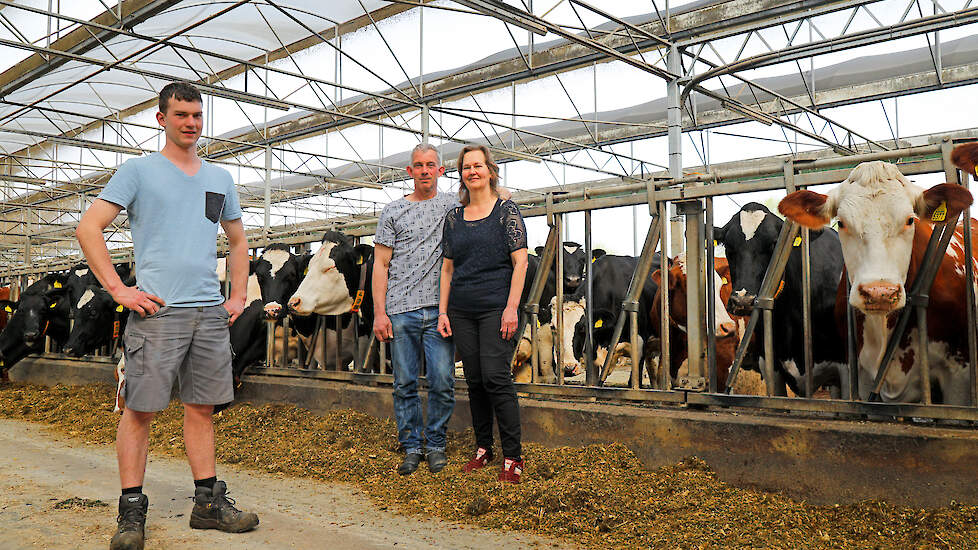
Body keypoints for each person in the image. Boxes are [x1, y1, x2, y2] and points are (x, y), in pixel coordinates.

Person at [76, 82, 258, 550]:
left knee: (202, 409)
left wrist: (237, 296)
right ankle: (131, 512)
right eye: (181, 115)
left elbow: (239, 241)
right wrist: (118, 290)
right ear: (161, 119)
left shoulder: (220, 178)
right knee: (139, 410)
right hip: (158, 312)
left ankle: (207, 505)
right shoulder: (138, 171)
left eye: (197, 115)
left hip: (208, 313)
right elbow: (88, 227)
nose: (191, 123)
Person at [438, 144, 529, 484]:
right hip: (462, 309)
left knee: (495, 377)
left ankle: (513, 456)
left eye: (478, 166)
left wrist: (510, 307)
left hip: (496, 307)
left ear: (490, 170)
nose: (472, 171)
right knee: (474, 380)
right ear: (461, 174)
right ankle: (483, 448)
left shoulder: (506, 210)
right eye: (466, 167)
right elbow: (447, 269)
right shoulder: (454, 217)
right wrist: (443, 311)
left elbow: (520, 261)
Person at [373, 143, 459, 476]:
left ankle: (435, 444)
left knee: (442, 379)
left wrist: (503, 191)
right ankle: (411, 446)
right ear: (409, 172)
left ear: (441, 170)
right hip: (401, 308)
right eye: (418, 165)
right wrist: (380, 312)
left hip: (440, 309)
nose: (425, 170)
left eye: (431, 165)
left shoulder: (452, 205)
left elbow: (484, 197)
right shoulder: (392, 211)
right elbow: (380, 264)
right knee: (404, 382)